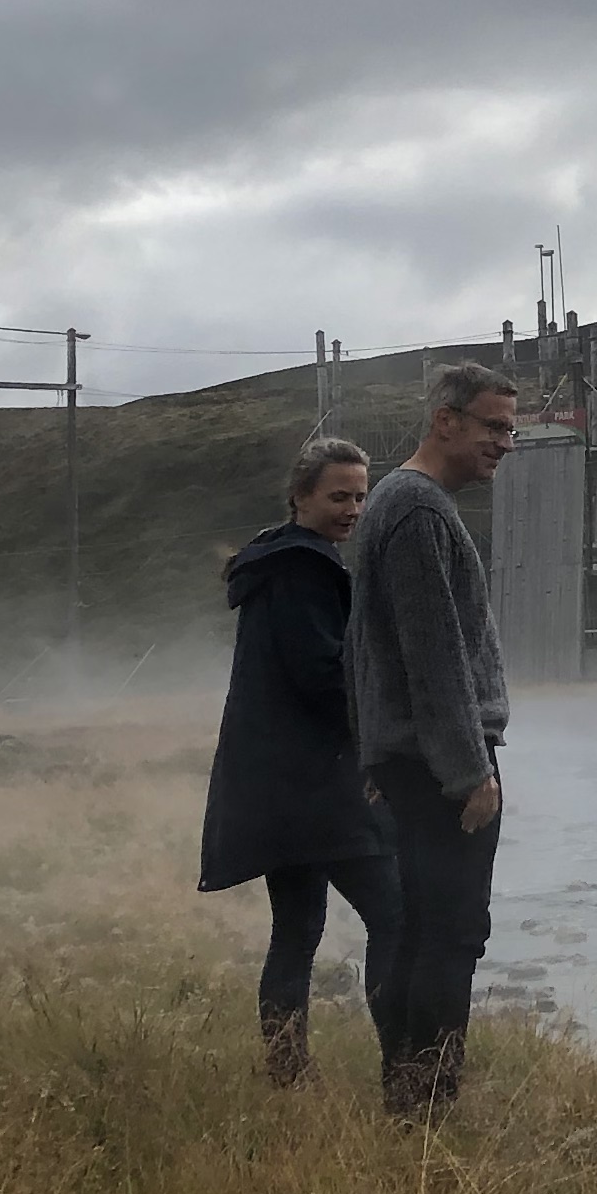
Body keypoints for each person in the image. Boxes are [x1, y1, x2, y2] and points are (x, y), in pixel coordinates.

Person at [345, 361, 521, 1115]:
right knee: (449, 934)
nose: (504, 443)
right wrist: (469, 771)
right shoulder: (417, 510)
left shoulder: (399, 501)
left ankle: (408, 1096)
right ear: (445, 421)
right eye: (494, 427)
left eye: (510, 430)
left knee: (419, 929)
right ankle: (426, 1107)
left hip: (410, 760)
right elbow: (435, 656)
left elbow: (364, 647)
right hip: (437, 766)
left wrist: (373, 750)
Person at [197, 435, 400, 1087]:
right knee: (396, 915)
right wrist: (387, 730)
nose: (353, 510)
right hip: (315, 787)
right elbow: (324, 679)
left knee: (297, 929)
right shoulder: (303, 569)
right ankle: (409, 1064)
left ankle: (288, 1072)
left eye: (361, 497)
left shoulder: (279, 561)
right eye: (339, 496)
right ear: (301, 496)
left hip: (276, 788)